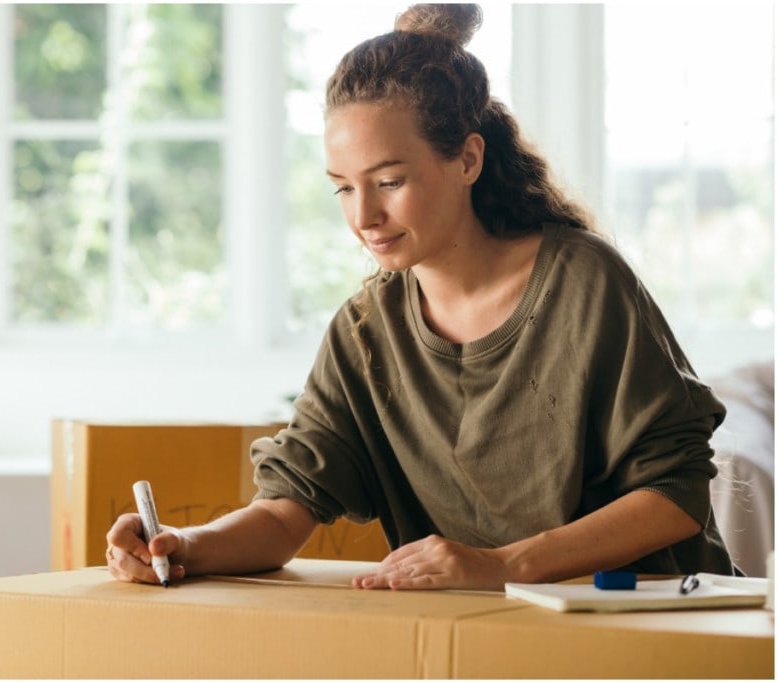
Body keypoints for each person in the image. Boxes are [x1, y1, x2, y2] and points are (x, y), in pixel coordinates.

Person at [106, 3, 736, 590]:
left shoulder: (585, 283)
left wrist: (502, 565)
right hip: (487, 637)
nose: (365, 216)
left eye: (389, 180)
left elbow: (675, 494)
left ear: (467, 159)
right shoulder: (365, 329)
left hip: (649, 627)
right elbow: (284, 514)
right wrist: (181, 545)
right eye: (343, 189)